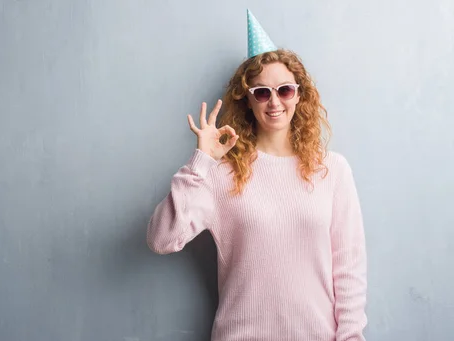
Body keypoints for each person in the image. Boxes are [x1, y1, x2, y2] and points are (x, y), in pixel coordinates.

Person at [146, 9, 367, 341]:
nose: (274, 101)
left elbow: (348, 271)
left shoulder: (332, 170)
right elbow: (161, 240)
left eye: (285, 90)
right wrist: (201, 161)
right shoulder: (222, 173)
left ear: (299, 95)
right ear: (247, 100)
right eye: (261, 92)